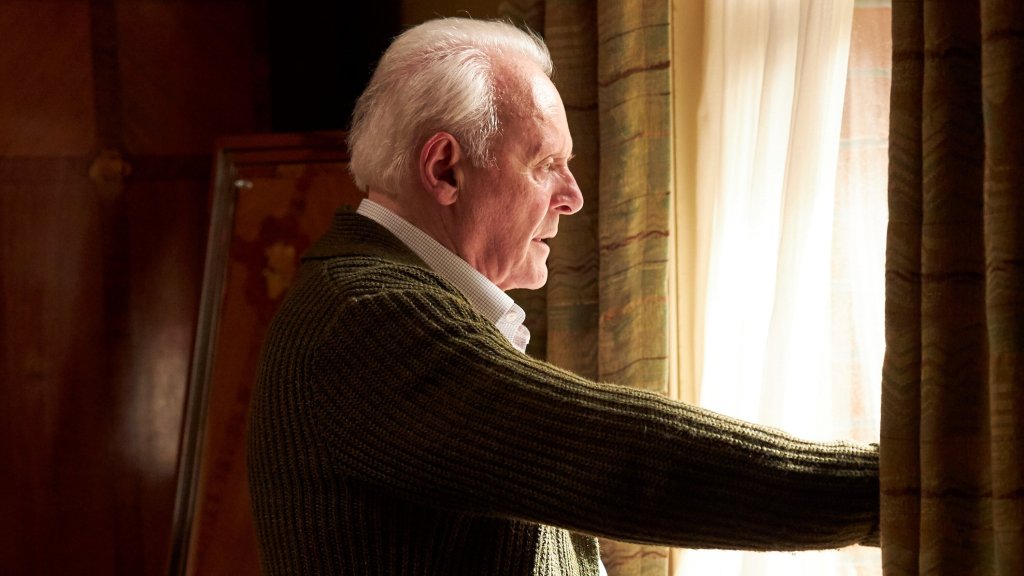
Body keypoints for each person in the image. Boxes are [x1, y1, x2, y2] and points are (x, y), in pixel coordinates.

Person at [246, 17, 879, 576]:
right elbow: (622, 460)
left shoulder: (379, 303)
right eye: (546, 164)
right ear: (445, 169)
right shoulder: (369, 319)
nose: (572, 196)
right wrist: (890, 489)